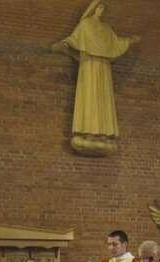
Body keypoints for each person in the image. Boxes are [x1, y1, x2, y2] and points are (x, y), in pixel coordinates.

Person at [52, 0, 140, 154]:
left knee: (103, 98)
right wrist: (64, 44)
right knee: (90, 95)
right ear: (92, 8)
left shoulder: (106, 28)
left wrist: (130, 41)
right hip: (89, 65)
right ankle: (88, 132)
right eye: (99, 6)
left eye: (103, 7)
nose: (101, 9)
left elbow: (115, 44)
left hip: (104, 67)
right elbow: (75, 39)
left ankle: (103, 133)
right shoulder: (85, 24)